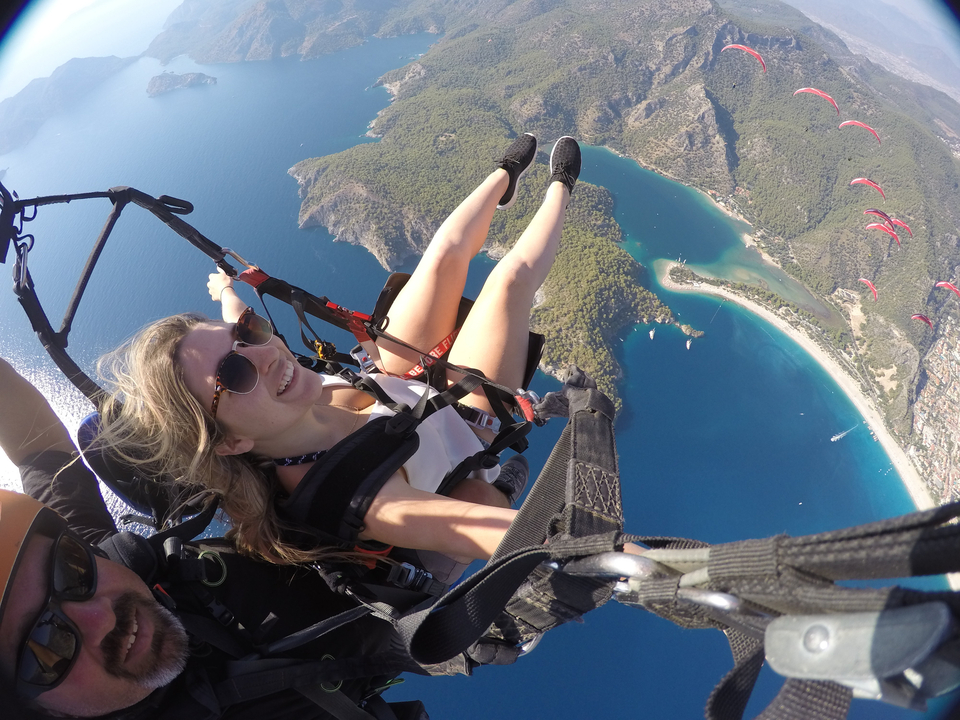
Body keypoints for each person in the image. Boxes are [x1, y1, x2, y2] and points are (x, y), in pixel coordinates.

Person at [94, 135, 583, 577]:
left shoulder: (279, 394)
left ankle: (503, 176)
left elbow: (240, 330)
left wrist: (227, 291)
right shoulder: (356, 495)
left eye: (249, 334)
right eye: (234, 372)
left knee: (442, 256)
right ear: (230, 443)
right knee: (509, 282)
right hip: (463, 427)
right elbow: (480, 529)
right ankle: (561, 188)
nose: (263, 353)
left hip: (389, 384)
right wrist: (634, 562)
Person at [0, 356, 455, 720]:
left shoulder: (100, 564)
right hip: (392, 594)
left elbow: (37, 450)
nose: (100, 618)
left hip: (321, 545)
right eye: (48, 649)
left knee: (105, 440)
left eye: (71, 569)